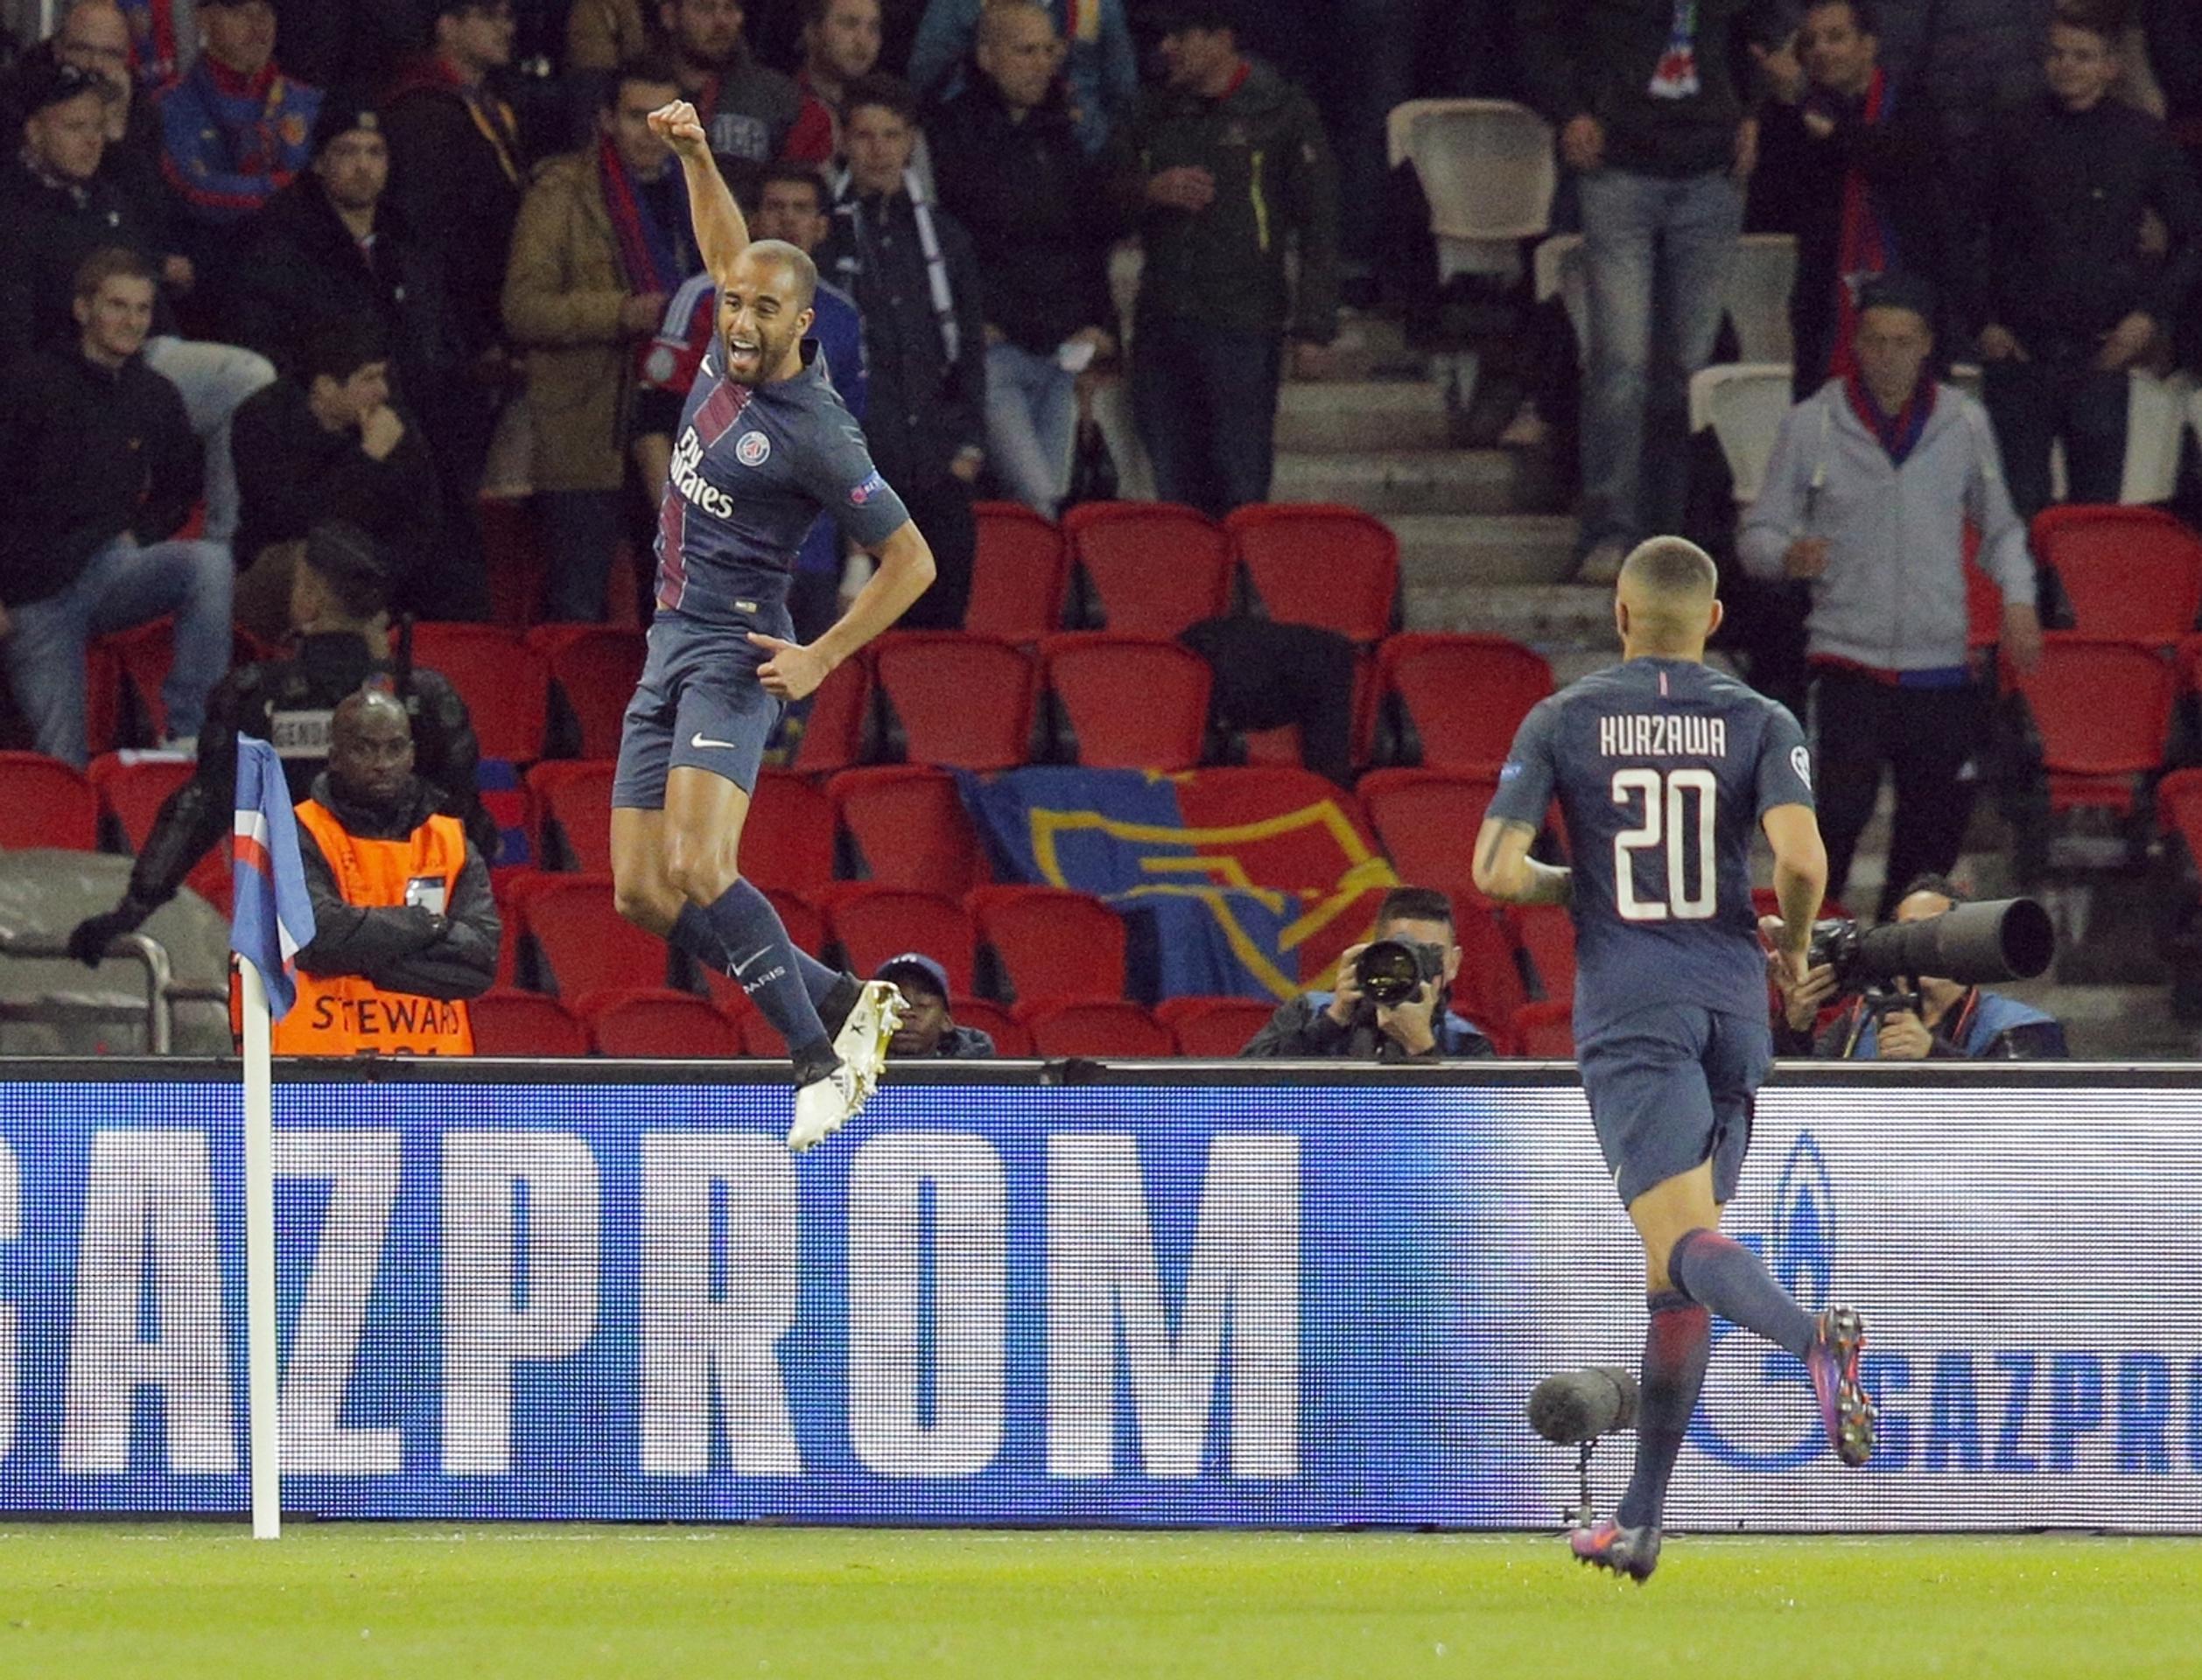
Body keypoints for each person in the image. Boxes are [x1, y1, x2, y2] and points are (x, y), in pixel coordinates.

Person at [1472, 536, 1873, 1583]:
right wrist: (1792, 944)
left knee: (1681, 1243)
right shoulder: (1762, 718)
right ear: (1712, 621)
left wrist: (1585, 882)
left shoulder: (1563, 717)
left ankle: (1810, 1340)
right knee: (1676, 1276)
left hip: (1634, 1005)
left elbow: (1495, 872)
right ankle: (1638, 1521)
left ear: (1618, 615)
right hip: (1733, 1007)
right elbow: (1800, 860)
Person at [608, 95, 937, 1151]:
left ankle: (819, 1063)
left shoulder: (818, 434)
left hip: (736, 652)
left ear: (805, 325)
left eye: (762, 310)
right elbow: (723, 243)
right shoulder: (726, 337)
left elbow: (913, 559)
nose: (740, 322)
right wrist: (697, 153)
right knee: (640, 894)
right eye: (732, 303)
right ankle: (846, 1001)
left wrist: (822, 656)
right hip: (668, 640)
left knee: (702, 867)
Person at [1738, 274, 2041, 920]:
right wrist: (1785, 555)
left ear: (1927, 344)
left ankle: (1897, 963)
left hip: (1939, 664)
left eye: (1903, 342)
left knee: (1929, 844)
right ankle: (1816, 953)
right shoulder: (1813, 424)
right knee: (1836, 821)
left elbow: (2002, 528)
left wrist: (2018, 599)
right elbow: (1758, 533)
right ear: (1856, 343)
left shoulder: (1964, 423)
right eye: (1875, 341)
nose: (1888, 355)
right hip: (1846, 657)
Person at [67, 521, 493, 965]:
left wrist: (131, 909)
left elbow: (198, 808)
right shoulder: (425, 699)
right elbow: (469, 824)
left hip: (297, 942)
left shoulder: (254, 696)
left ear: (307, 600)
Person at [1519, 0, 1784, 584]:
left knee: (1686, 372)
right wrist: (1570, 111)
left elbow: (1766, 24)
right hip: (1618, 161)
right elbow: (1539, 27)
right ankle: (1609, 529)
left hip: (1712, 168)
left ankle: (1666, 535)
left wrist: (1752, 111)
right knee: (1620, 365)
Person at [0, 49, 274, 550]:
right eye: (74, 126)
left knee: (249, 379)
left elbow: (154, 277)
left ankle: (224, 549)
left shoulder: (108, 195)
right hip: (67, 377)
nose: (92, 140)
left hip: (143, 356)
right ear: (34, 132)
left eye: (97, 126)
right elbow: (15, 342)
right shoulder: (13, 211)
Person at [1962, 13, 2202, 521]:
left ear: (2112, 66)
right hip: (2020, 356)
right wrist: (1982, 320)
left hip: (2101, 357)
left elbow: (2194, 234)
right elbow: (1962, 229)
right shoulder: (2010, 129)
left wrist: (2149, 317)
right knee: (2013, 518)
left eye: (2082, 56)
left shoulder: (2141, 137)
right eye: (2057, 54)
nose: (2066, 65)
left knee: (2095, 522)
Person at [0, 246, 228, 767]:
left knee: (210, 562)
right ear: (83, 309)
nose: (132, 321)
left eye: (143, 309)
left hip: (110, 569)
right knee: (63, 764)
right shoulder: (29, 383)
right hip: (33, 595)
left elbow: (180, 489)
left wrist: (141, 534)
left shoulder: (155, 394)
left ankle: (189, 732)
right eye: (117, 306)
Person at [1109, 4, 1337, 519]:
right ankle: (1193, 574)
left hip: (1244, 323)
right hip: (1163, 318)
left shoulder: (1281, 111)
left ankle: (1242, 571)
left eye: (1181, 35)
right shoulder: (1150, 110)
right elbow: (1100, 194)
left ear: (1221, 38)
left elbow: (1320, 223)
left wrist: (1314, 326)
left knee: (1241, 480)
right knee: (1173, 485)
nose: (1166, 48)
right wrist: (1149, 191)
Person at [502, 56, 694, 623]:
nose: (652, 133)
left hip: (678, 426)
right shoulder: (562, 190)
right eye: (637, 117)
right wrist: (621, 313)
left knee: (675, 604)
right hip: (587, 430)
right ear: (606, 119)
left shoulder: (700, 192)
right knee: (576, 604)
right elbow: (522, 308)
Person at [929, 1, 1114, 518]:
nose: (1041, 63)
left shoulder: (1061, 135)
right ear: (987, 56)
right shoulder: (950, 135)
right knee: (1038, 501)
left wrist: (1100, 325)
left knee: (1044, 506)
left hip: (1060, 352)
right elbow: (943, 243)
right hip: (994, 355)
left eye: (1048, 51)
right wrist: (967, 321)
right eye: (1025, 51)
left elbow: (1086, 237)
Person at [818, 74, 984, 629]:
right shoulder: (824, 236)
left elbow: (969, 350)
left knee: (941, 631)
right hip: (858, 467)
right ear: (843, 141)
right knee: (857, 632)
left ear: (911, 141)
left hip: (938, 464)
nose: (879, 150)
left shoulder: (945, 236)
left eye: (892, 136)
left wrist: (968, 446)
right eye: (865, 136)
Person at [380, 0, 524, 618]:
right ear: (446, 24)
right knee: (443, 497)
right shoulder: (424, 114)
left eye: (508, 16)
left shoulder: (485, 107)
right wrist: (472, 336)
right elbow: (435, 242)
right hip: (442, 344)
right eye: (488, 14)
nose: (506, 27)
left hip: (467, 331)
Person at [277, 689, 498, 1056]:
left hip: (435, 1074)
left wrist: (361, 957)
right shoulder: (297, 832)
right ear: (335, 757)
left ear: (411, 755)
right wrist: (428, 925)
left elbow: (479, 964)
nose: (382, 763)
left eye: (394, 749)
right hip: (323, 1070)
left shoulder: (451, 840)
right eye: (364, 749)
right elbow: (316, 939)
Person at [1750, 0, 1951, 397]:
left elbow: (1901, 159)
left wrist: (1835, 133)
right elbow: (1772, 200)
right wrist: (1785, 106)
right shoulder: (1797, 113)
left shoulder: (1911, 102)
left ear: (1868, 45)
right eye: (1810, 42)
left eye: (1835, 37)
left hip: (1907, 288)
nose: (1820, 50)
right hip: (1825, 297)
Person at [225, 94, 457, 431]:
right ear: (319, 163)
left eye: (375, 152)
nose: (363, 166)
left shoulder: (407, 242)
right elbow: (264, 345)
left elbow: (440, 340)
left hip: (419, 421)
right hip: (326, 425)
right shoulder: (280, 243)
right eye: (347, 152)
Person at [229, 317, 441, 637]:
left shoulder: (393, 424)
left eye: (383, 376)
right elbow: (290, 521)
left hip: (372, 572)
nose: (383, 391)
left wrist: (380, 579)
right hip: (283, 568)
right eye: (369, 379)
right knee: (318, 574)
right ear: (326, 386)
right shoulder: (263, 420)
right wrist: (367, 460)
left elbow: (421, 519)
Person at [1772, 874, 2071, 1059]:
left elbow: (2024, 1119)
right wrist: (1795, 1026)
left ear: (1966, 939)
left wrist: (1934, 1056)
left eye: (1934, 928)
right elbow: (1798, 1106)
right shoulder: (1858, 1024)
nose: (1923, 943)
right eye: (1911, 931)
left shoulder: (2019, 1027)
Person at [1238, 886, 1497, 1060]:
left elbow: (1475, 1124)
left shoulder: (1467, 1043)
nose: (1415, 967)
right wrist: (1333, 1021)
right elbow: (1241, 1092)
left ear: (1453, 963)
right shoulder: (1308, 1011)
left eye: (1430, 954)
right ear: (1376, 952)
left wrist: (1424, 1048)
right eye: (1402, 953)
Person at [151, 0, 320, 237]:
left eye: (266, 10)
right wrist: (291, 190)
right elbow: (194, 188)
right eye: (238, 10)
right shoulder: (169, 105)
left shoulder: (309, 102)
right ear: (203, 19)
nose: (257, 24)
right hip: (209, 249)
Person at [907, 0, 1135, 157]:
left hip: (1079, 148)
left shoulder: (1100, 6)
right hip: (981, 147)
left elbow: (1122, 88)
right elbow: (928, 74)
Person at [656, 0, 801, 202]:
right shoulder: (642, 90)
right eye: (705, 8)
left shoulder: (777, 95)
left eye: (730, 8)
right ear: (670, 15)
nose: (721, 21)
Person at [785, 0, 882, 165]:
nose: (863, 41)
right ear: (813, 32)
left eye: (873, 28)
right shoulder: (782, 106)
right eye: (849, 24)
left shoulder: (891, 113)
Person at [875, 952, 997, 1057]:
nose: (906, 1013)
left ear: (946, 1021)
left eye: (922, 1004)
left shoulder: (976, 1072)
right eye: (894, 1005)